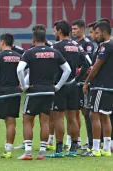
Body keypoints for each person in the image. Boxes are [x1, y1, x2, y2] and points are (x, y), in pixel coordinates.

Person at [16, 28, 71, 160]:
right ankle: (41, 152)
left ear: (33, 39)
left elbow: (19, 70)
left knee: (27, 120)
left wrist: (24, 86)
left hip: (34, 91)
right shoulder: (55, 52)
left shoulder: (29, 53)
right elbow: (67, 70)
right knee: (45, 121)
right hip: (49, 91)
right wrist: (57, 86)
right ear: (46, 40)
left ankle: (28, 152)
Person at [47, 20, 89, 158]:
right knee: (73, 117)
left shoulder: (56, 46)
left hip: (60, 86)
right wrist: (77, 79)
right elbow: (87, 64)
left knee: (58, 117)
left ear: (59, 31)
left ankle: (59, 149)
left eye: (54, 31)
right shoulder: (77, 46)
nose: (54, 33)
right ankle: (73, 148)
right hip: (73, 85)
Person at [82, 21, 113, 157]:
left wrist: (86, 82)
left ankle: (95, 148)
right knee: (105, 115)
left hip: (100, 85)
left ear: (104, 32)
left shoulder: (105, 46)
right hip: (109, 86)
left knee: (94, 114)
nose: (95, 35)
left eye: (97, 32)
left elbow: (97, 66)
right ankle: (106, 148)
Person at [70, 19, 95, 149]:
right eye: (72, 29)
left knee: (86, 112)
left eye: (75, 29)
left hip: (83, 83)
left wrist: (77, 71)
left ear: (82, 29)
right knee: (73, 112)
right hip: (74, 83)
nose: (73, 31)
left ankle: (90, 141)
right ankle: (77, 141)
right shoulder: (72, 44)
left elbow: (89, 65)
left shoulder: (87, 44)